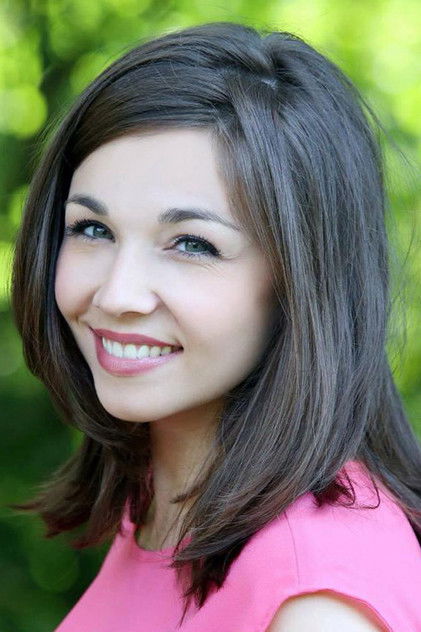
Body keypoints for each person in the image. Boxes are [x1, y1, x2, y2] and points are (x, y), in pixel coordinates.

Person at [9, 21, 421, 632]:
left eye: (192, 244)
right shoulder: (165, 498)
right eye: (93, 229)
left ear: (301, 281)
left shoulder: (316, 599)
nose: (117, 295)